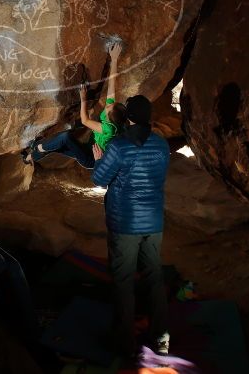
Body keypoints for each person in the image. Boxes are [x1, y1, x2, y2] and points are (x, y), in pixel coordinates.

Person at [91, 94, 171, 357]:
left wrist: (99, 159)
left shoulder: (119, 146)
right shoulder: (161, 146)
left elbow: (100, 179)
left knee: (123, 280)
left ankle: (125, 342)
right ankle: (161, 336)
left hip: (125, 221)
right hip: (153, 221)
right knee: (154, 276)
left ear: (129, 118)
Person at [23, 43, 127, 168]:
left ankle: (37, 147)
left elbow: (85, 120)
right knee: (54, 146)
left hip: (90, 157)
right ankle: (29, 158)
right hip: (90, 145)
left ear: (110, 119)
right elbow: (112, 86)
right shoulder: (115, 114)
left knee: (64, 137)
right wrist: (114, 59)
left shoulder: (109, 129)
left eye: (109, 107)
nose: (108, 105)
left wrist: (83, 98)